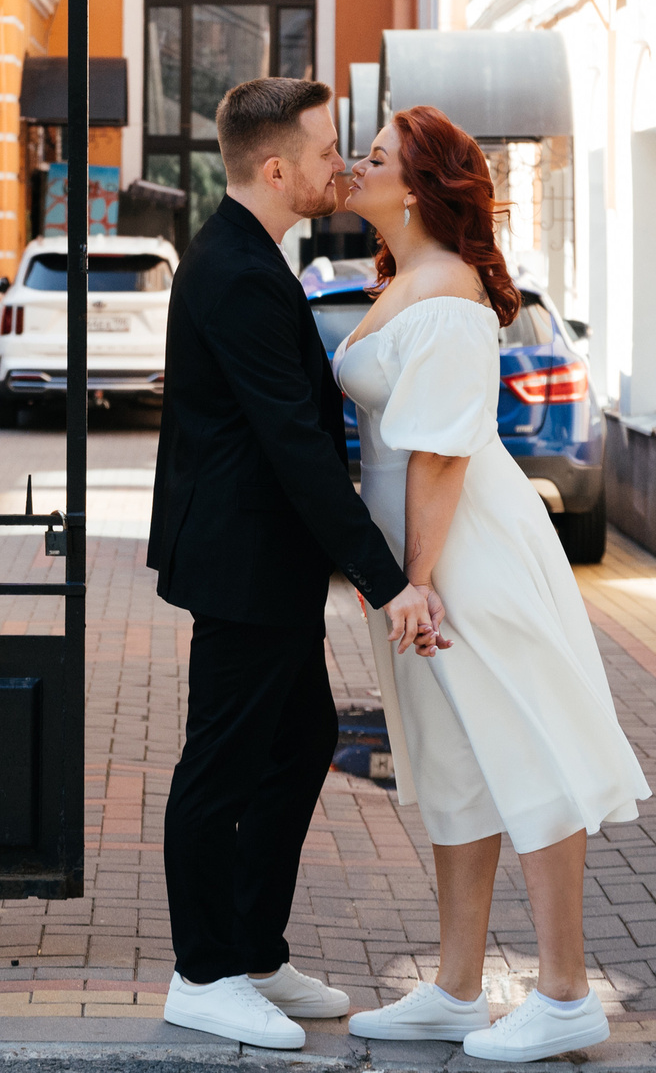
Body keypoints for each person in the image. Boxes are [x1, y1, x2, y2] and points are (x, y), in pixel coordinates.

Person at [333, 105, 652, 1062]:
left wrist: (414, 582)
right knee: (455, 765)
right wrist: (395, 576)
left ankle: (563, 994)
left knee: (530, 748)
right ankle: (457, 988)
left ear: (421, 187)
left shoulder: (442, 293)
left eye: (378, 158)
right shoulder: (405, 280)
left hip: (469, 552)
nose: (358, 166)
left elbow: (437, 454)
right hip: (431, 555)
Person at [150, 76, 450, 1052]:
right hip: (241, 563)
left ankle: (253, 952)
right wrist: (389, 576)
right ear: (276, 169)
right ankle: (203, 974)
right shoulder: (236, 270)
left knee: (298, 737)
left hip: (262, 561)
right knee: (222, 765)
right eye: (327, 153)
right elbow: (292, 444)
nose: (340, 167)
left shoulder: (253, 254)